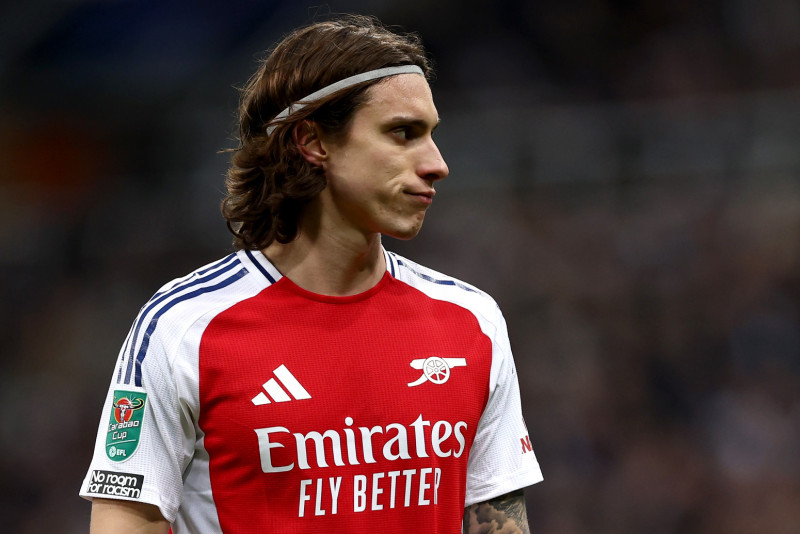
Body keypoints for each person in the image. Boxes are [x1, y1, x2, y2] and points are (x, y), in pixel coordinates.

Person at [80, 14, 543, 533]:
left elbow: (500, 522)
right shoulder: (182, 326)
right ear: (313, 141)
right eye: (402, 133)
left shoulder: (472, 321)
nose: (437, 163)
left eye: (431, 135)